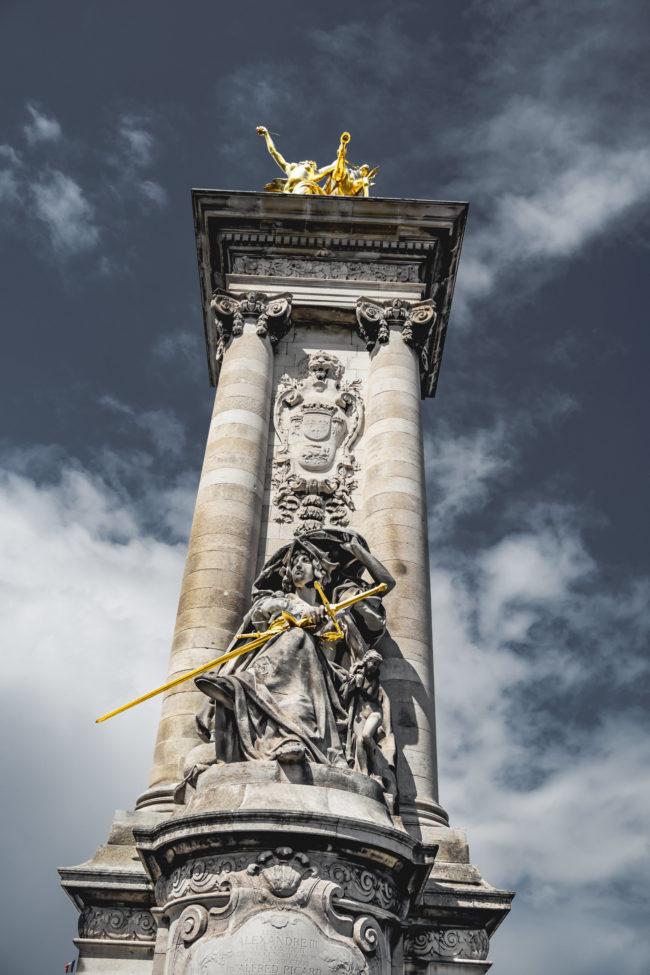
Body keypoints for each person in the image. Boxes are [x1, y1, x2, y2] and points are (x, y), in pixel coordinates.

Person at [195, 529, 395, 769]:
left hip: (325, 678)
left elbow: (386, 584)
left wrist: (358, 552)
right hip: (277, 675)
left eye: (305, 561)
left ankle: (242, 688)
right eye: (294, 563)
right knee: (294, 634)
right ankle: (278, 728)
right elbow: (257, 622)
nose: (298, 566)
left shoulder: (337, 610)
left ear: (319, 569)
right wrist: (293, 616)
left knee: (299, 635)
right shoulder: (279, 602)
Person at [256, 126, 335, 195]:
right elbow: (273, 152)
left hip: (304, 187)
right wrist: (267, 134)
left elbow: (334, 166)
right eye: (308, 162)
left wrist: (342, 151)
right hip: (288, 191)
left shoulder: (315, 172)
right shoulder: (289, 168)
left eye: (310, 164)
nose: (307, 162)